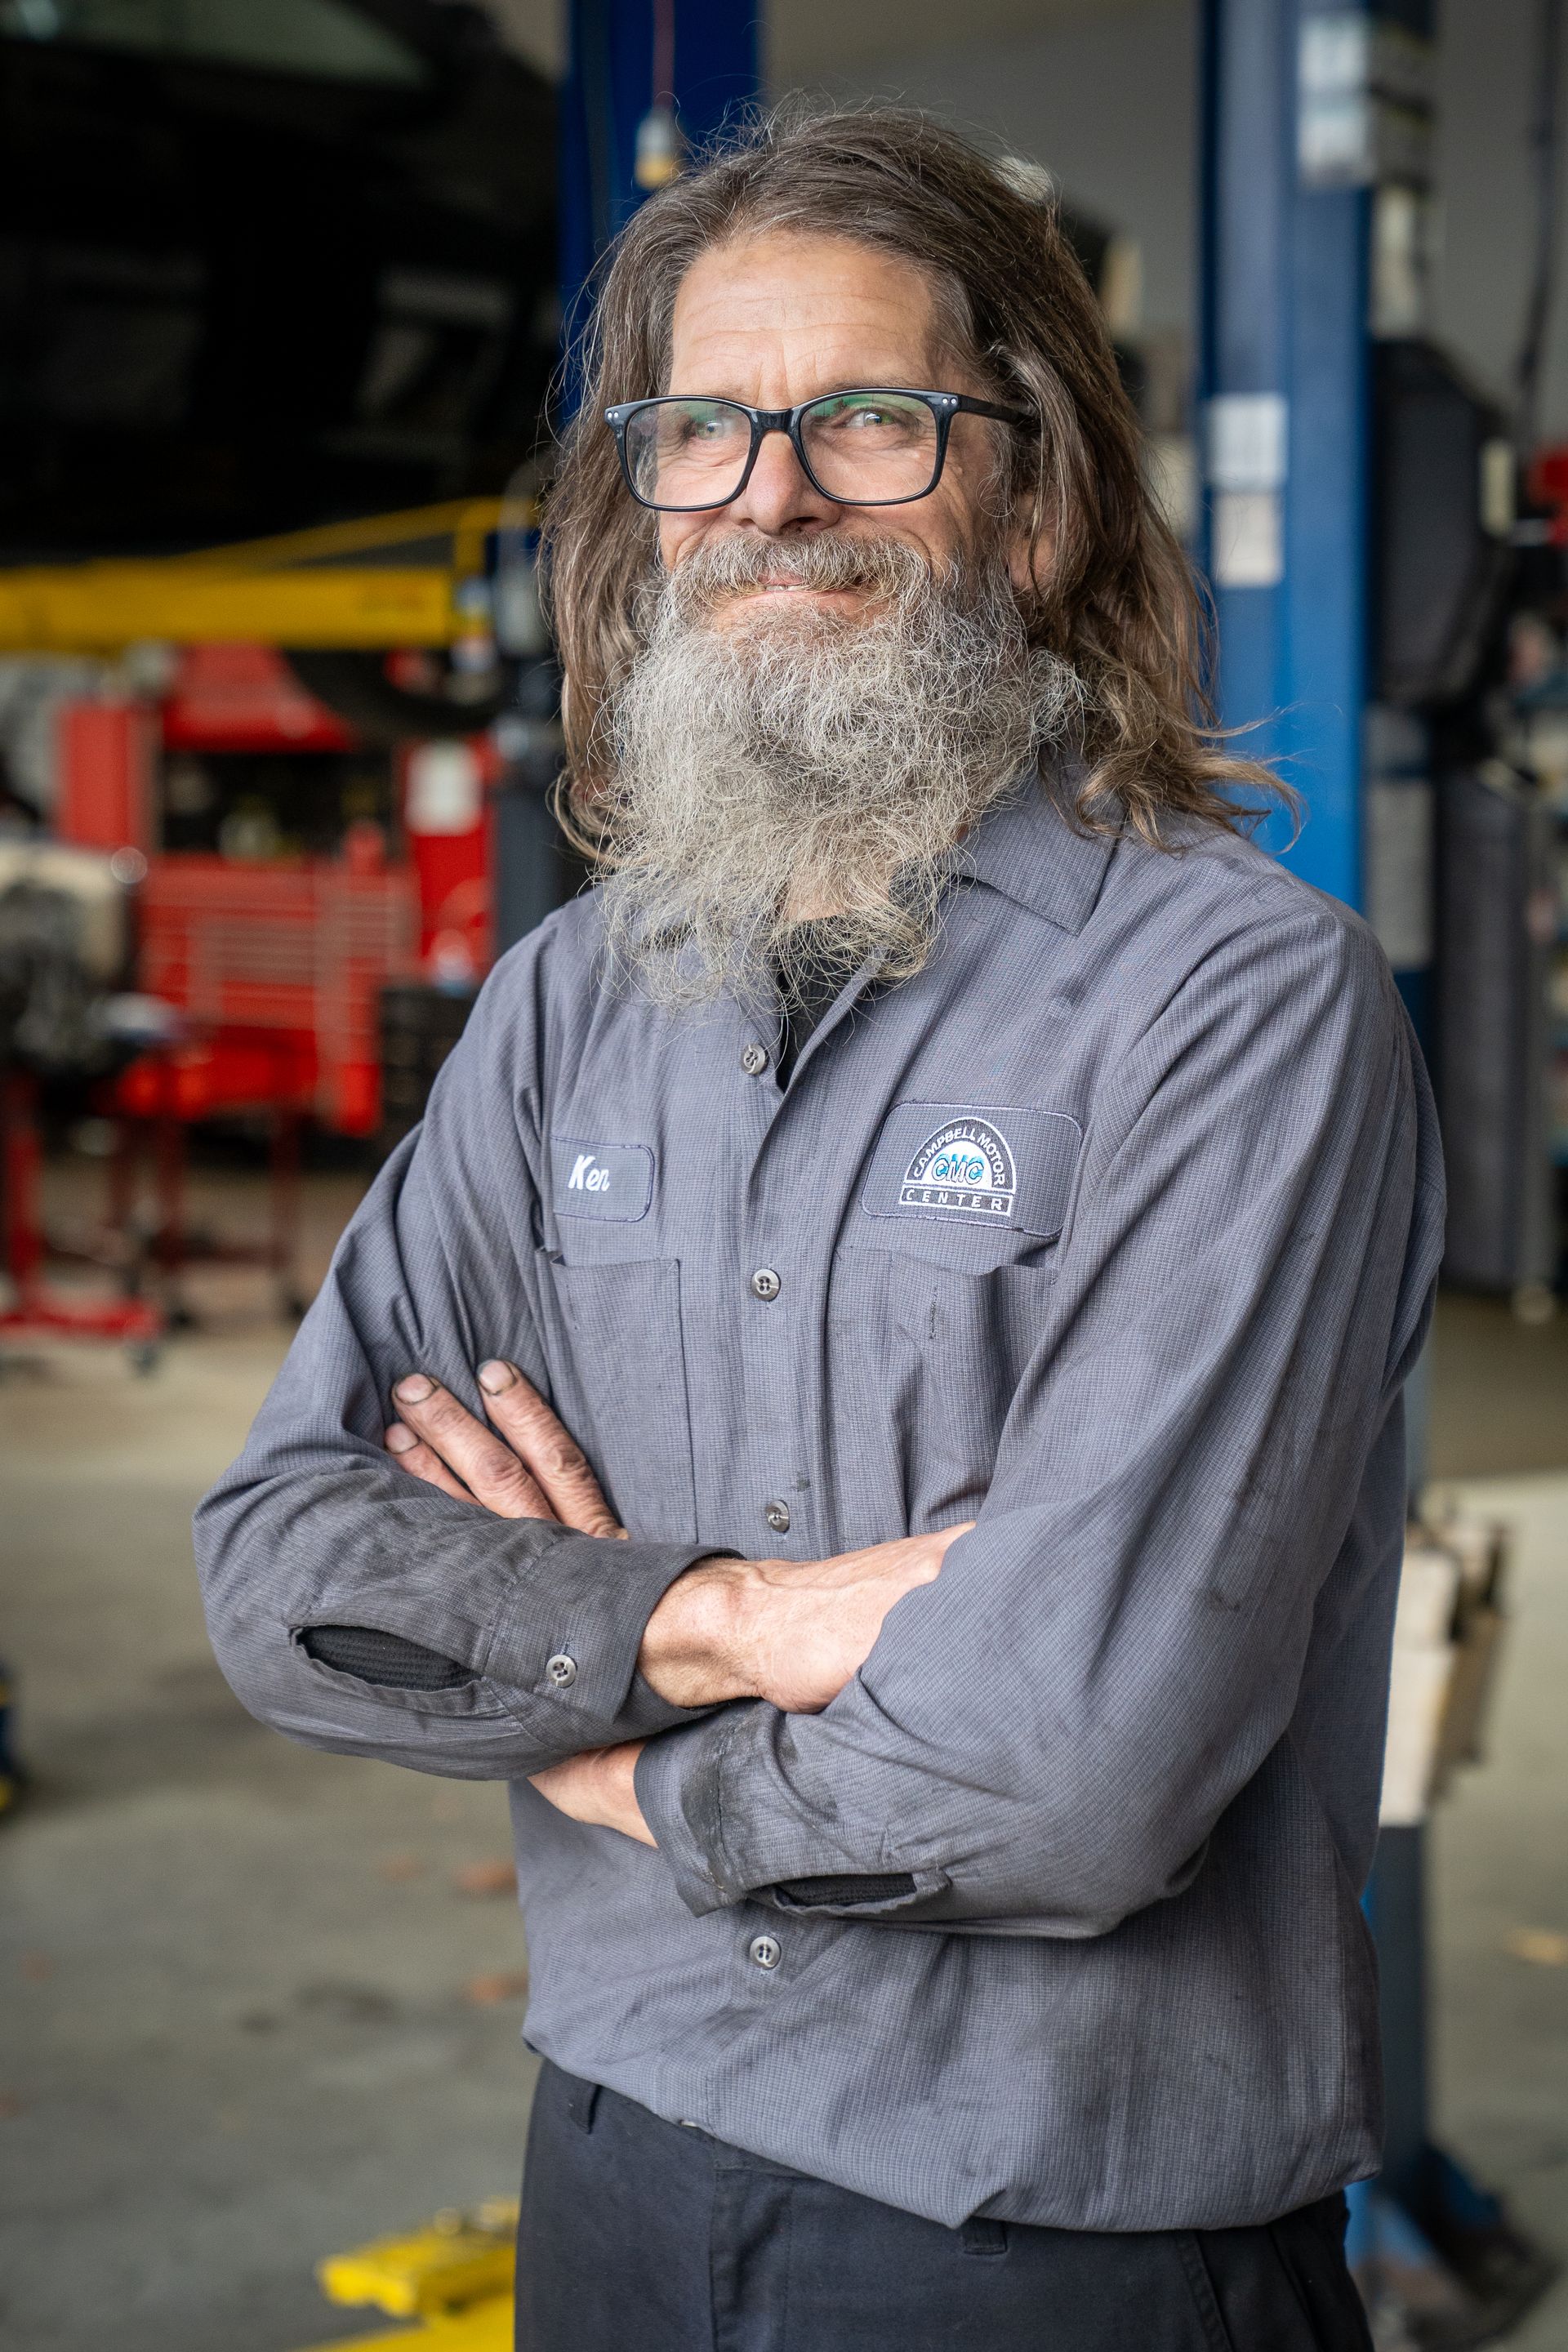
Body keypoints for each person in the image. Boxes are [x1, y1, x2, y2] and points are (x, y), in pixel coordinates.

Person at [197, 107, 1443, 2352]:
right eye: (705, 431)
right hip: (614, 2167)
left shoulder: (1237, 1005)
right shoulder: (576, 1006)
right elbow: (283, 1574)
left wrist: (605, 1748)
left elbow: (1076, 1772)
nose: (772, 494)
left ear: (1036, 495)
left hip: (1058, 2246)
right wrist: (739, 1619)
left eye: (868, 421)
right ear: (645, 502)